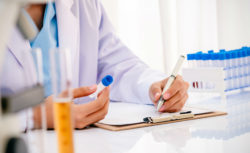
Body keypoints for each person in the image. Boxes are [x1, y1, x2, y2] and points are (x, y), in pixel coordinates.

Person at [1, 0, 189, 129]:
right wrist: (34, 117)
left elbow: (117, 64)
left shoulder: (84, 4)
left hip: (82, 147)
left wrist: (154, 87)